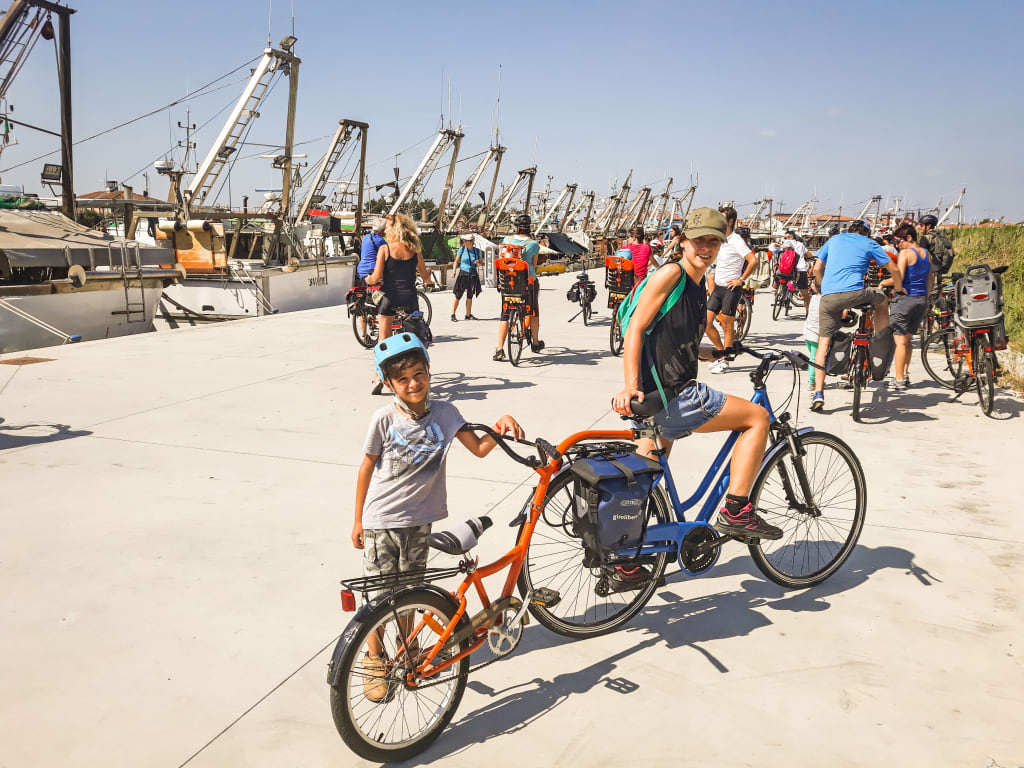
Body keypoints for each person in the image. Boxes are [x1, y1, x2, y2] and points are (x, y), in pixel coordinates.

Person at [353, 333, 524, 701]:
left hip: (421, 520)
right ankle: (374, 658)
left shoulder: (446, 414)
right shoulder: (382, 419)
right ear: (388, 384)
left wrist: (500, 424)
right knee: (378, 597)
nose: (413, 383)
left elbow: (478, 448)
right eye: (402, 379)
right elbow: (366, 467)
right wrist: (357, 519)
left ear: (429, 371)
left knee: (410, 592)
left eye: (419, 373)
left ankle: (409, 650)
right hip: (381, 519)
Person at [612, 207, 780, 544]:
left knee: (641, 486)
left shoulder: (698, 280)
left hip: (657, 397)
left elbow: (674, 340)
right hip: (675, 394)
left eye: (714, 242)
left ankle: (623, 553)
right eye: (699, 240)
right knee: (758, 418)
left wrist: (713, 352)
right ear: (683, 241)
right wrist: (629, 385)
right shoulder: (671, 275)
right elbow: (634, 330)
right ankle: (736, 510)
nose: (706, 247)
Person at [809, 219, 905, 412]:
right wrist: (898, 287)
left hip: (829, 297)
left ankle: (818, 392)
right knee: (882, 300)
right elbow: (893, 269)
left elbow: (817, 269)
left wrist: (821, 287)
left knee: (823, 344)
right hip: (857, 294)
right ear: (866, 233)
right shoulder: (869, 243)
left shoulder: (833, 240)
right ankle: (879, 337)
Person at [366, 213, 434, 394]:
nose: (386, 230)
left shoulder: (385, 249)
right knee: (414, 339)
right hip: (410, 297)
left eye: (388, 227)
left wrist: (369, 279)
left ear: (394, 229)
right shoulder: (414, 249)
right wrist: (429, 282)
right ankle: (423, 373)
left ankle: (378, 376)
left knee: (383, 339)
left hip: (390, 297)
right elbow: (425, 274)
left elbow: (376, 277)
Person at [705, 205, 759, 373]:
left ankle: (725, 361)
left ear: (730, 221)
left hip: (731, 289)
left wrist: (741, 279)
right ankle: (722, 354)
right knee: (705, 323)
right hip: (718, 287)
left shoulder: (736, 240)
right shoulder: (720, 238)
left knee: (727, 326)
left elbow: (753, 260)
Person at [885, 223, 932, 392]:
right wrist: (926, 298)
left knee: (899, 342)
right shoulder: (927, 254)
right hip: (921, 300)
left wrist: (884, 283)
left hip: (905, 300)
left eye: (899, 241)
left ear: (909, 238)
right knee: (908, 339)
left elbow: (899, 277)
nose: (897, 245)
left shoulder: (905, 253)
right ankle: (904, 374)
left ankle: (898, 380)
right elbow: (929, 280)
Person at [494, 213, 544, 360]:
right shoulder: (533, 244)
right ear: (529, 228)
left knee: (505, 315)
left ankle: (499, 349)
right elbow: (534, 265)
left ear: (516, 227)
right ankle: (535, 343)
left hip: (507, 282)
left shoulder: (506, 240)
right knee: (533, 312)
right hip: (527, 283)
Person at [450, 233, 482, 322]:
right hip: (463, 274)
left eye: (466, 241)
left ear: (471, 242)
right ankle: (453, 314)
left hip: (473, 275)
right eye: (464, 241)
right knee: (458, 294)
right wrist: (453, 271)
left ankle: (468, 315)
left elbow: (480, 264)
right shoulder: (462, 249)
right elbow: (456, 261)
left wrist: (478, 263)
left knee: (470, 295)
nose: (464, 242)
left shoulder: (477, 251)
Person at [782, 230, 812, 313]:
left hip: (785, 270)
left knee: (781, 280)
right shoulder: (800, 244)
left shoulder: (783, 244)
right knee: (805, 293)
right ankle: (807, 312)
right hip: (800, 270)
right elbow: (809, 255)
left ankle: (780, 293)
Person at [804, 283, 822, 392]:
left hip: (807, 331)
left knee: (813, 356)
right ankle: (812, 382)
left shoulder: (814, 298)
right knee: (814, 359)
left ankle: (817, 378)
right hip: (816, 334)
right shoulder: (824, 300)